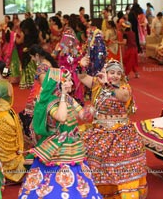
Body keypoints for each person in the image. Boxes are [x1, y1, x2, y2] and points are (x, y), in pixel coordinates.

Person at [18, 67, 101, 198]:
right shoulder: (50, 101)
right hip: (57, 145)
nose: (72, 84)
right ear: (59, 84)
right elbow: (61, 117)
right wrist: (62, 95)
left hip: (73, 142)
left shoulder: (69, 99)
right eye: (68, 81)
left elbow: (82, 115)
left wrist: (93, 107)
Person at [78, 58, 147, 199]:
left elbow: (123, 97)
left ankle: (124, 192)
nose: (115, 76)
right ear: (106, 72)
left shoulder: (124, 87)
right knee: (93, 158)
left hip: (121, 132)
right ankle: (100, 191)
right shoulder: (98, 83)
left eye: (118, 73)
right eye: (112, 72)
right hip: (100, 130)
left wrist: (109, 84)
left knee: (121, 163)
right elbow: (82, 77)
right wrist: (82, 66)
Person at [0, 60, 25, 184]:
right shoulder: (1, 83)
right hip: (5, 118)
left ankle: (9, 176)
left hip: (1, 121)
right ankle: (10, 175)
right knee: (5, 150)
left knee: (2, 150)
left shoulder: (0, 85)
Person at [19, 44, 58, 155]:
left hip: (41, 97)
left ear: (36, 55)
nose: (31, 59)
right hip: (53, 96)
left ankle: (38, 149)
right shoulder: (50, 63)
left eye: (32, 57)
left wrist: (39, 101)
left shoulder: (42, 67)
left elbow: (45, 85)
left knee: (32, 122)